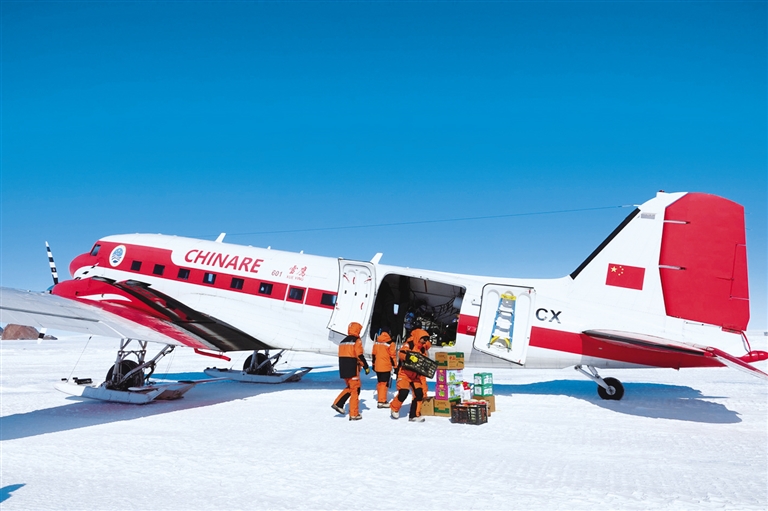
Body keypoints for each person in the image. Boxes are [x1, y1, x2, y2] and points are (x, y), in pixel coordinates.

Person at [390, 328, 431, 422]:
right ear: (419, 337)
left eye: (427, 339)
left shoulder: (423, 349)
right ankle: (394, 408)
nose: (425, 341)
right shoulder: (409, 344)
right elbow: (401, 354)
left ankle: (414, 415)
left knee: (419, 394)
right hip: (404, 374)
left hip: (415, 376)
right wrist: (409, 357)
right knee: (403, 392)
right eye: (424, 339)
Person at [331, 322, 370, 420]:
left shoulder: (343, 341)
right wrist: (366, 366)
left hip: (344, 369)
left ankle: (338, 404)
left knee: (351, 388)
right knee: (355, 390)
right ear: (357, 330)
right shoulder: (356, 340)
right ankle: (354, 414)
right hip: (352, 369)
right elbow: (359, 355)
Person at [371, 330, 397, 408]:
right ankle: (382, 401)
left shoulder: (376, 343)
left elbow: (373, 355)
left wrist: (373, 365)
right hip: (385, 366)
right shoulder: (390, 343)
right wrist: (395, 367)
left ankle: (380, 398)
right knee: (384, 384)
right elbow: (392, 356)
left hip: (377, 366)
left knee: (380, 383)